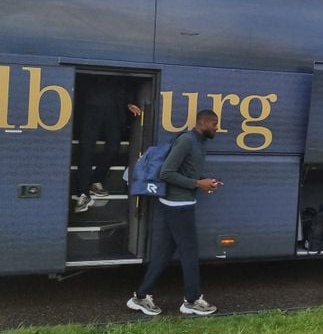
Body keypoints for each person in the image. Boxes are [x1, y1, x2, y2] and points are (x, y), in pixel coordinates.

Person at [127, 109, 222, 316]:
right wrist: (198, 183)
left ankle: (141, 297)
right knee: (189, 253)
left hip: (181, 202)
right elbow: (166, 173)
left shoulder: (199, 143)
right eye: (214, 124)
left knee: (164, 252)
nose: (217, 128)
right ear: (204, 122)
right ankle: (192, 300)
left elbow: (186, 171)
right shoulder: (187, 141)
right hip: (177, 205)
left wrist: (205, 181)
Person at [75, 75, 142, 213]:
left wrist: (129, 102)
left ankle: (96, 180)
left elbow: (126, 82)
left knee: (113, 148)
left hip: (113, 109)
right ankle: (83, 193)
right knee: (86, 150)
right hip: (90, 106)